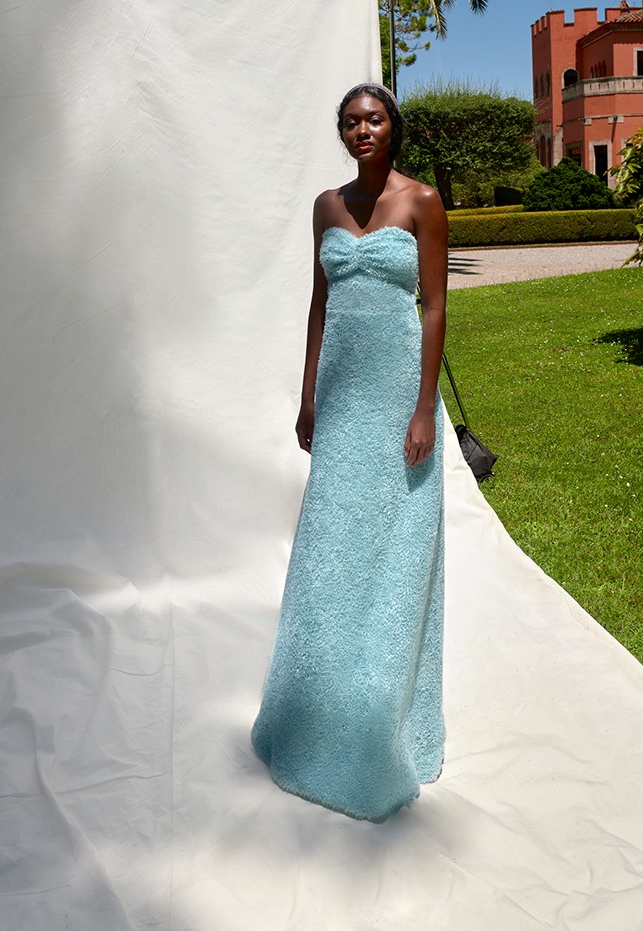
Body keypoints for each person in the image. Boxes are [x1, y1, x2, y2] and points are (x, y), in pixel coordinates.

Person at [251, 82, 449, 822]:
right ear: (342, 134)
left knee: (393, 541)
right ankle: (309, 711)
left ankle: (386, 715)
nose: (362, 130)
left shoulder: (422, 201)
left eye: (373, 119)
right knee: (330, 545)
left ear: (394, 127)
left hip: (399, 392)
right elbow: (319, 303)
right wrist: (308, 396)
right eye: (350, 122)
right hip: (341, 393)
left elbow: (434, 305)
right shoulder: (326, 207)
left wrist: (425, 405)